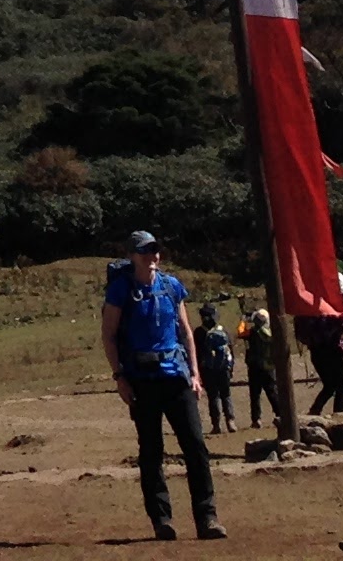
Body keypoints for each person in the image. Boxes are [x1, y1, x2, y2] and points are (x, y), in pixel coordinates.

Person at [101, 230, 225, 541]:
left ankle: (207, 517)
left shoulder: (172, 286)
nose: (152, 256)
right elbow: (109, 335)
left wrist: (195, 373)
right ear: (132, 255)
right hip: (141, 380)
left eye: (155, 250)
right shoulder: (121, 290)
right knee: (152, 451)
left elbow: (185, 331)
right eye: (145, 251)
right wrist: (119, 377)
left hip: (176, 377)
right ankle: (161, 520)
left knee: (196, 447)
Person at [195, 297, 238, 431]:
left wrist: (197, 371)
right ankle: (230, 421)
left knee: (213, 396)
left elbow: (196, 353)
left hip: (207, 368)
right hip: (223, 368)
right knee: (226, 394)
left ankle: (216, 424)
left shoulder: (199, 332)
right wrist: (231, 368)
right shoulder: (223, 330)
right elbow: (230, 350)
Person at [302, 310, 343, 417]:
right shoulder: (332, 317)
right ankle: (339, 415)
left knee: (329, 386)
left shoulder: (311, 318)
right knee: (342, 387)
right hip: (331, 354)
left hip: (316, 355)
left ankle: (315, 409)